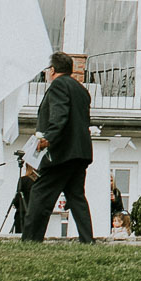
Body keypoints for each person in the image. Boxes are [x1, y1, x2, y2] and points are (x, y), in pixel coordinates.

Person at [23, 51, 95, 244]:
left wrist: (48, 139)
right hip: (81, 152)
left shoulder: (58, 85)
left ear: (53, 70)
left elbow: (59, 115)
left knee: (40, 194)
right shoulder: (81, 90)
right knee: (77, 197)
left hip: (62, 152)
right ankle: (87, 240)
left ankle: (30, 240)